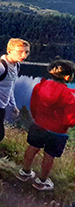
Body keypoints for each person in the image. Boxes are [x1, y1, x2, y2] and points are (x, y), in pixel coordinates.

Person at [16, 59, 75, 191]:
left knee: (32, 148)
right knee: (49, 155)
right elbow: (70, 120)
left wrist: (37, 118)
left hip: (38, 125)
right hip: (57, 131)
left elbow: (33, 105)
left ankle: (25, 172)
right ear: (67, 77)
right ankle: (41, 182)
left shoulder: (40, 86)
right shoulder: (69, 95)